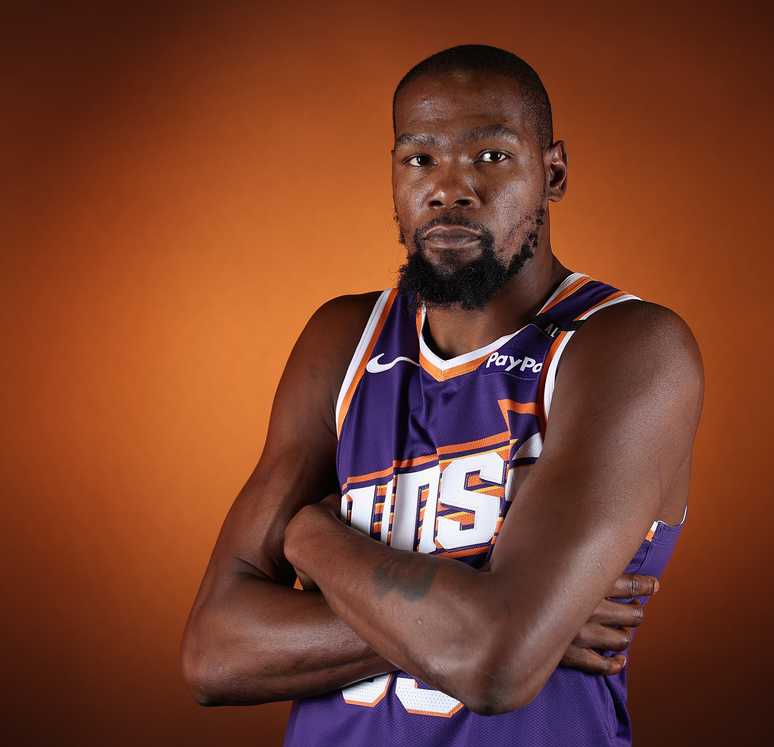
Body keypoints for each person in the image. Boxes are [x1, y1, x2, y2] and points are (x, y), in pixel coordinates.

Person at [180, 43, 703, 746]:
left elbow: (493, 664)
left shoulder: (624, 348)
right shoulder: (345, 339)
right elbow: (214, 651)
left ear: (554, 172)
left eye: (489, 155)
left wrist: (312, 537)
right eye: (419, 158)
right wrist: (490, 623)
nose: (449, 187)